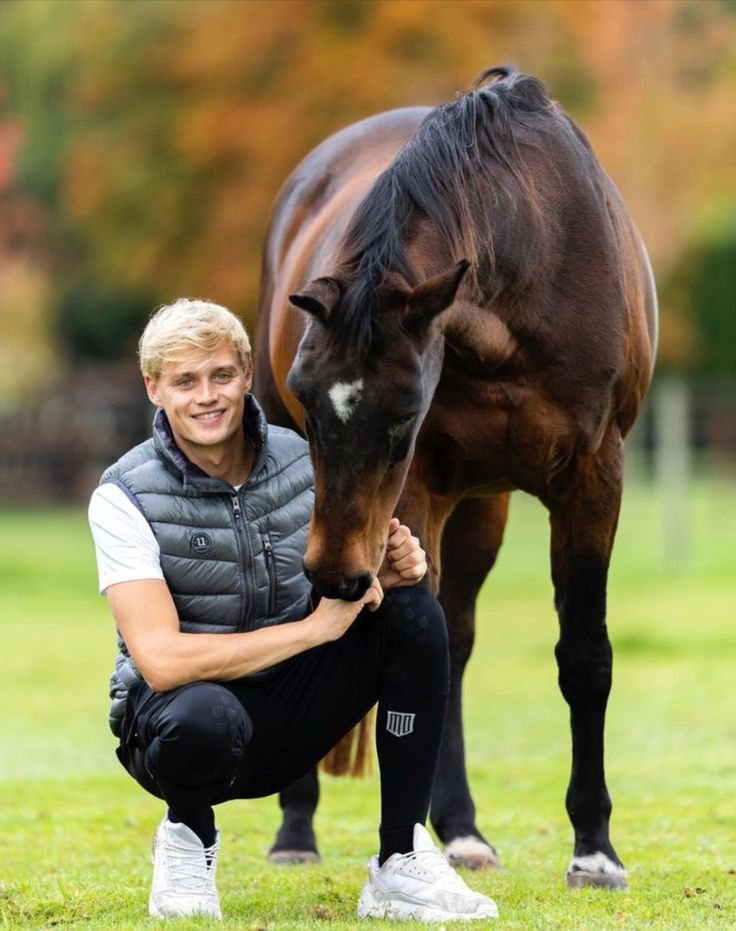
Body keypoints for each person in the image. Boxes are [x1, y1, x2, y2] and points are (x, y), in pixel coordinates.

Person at [88, 298, 498, 922]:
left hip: (293, 707)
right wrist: (312, 632)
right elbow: (163, 661)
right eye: (185, 381)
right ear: (154, 388)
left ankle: (401, 858)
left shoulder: (307, 459)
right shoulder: (122, 496)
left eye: (222, 375)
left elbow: (358, 574)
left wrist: (393, 569)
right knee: (200, 717)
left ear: (248, 374)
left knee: (415, 616)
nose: (207, 397)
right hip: (183, 723)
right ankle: (187, 838)